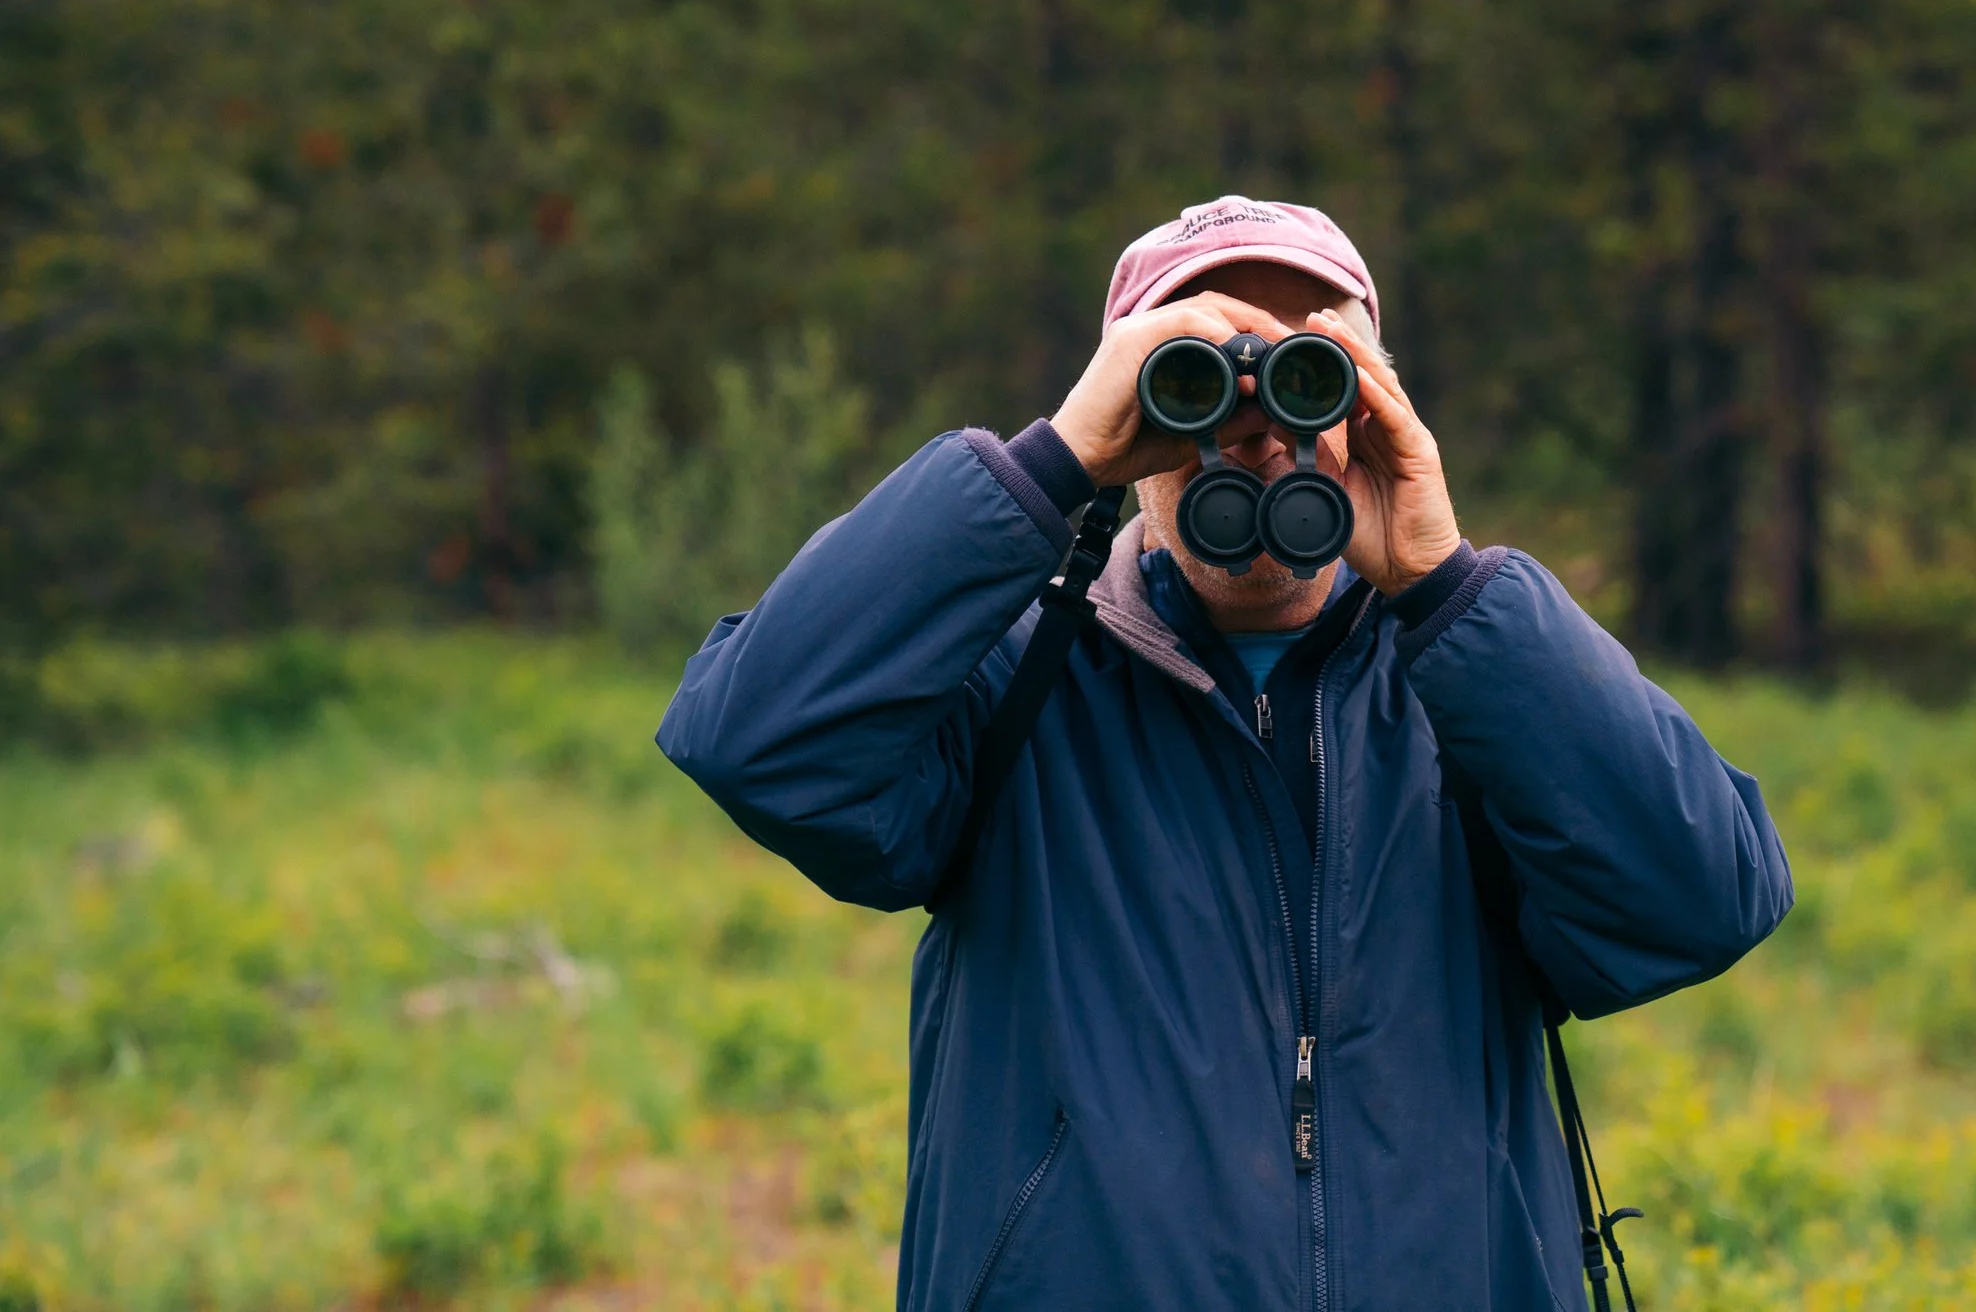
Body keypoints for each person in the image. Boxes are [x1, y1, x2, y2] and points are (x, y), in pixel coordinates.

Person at [657, 196, 1793, 1311]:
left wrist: (1446, 586)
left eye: (1308, 372)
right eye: (1194, 373)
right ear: (1128, 419)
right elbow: (757, 738)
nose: (1255, 427)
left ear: (1371, 403)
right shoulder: (1014, 681)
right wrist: (1046, 470)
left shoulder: (1478, 696)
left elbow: (1701, 898)